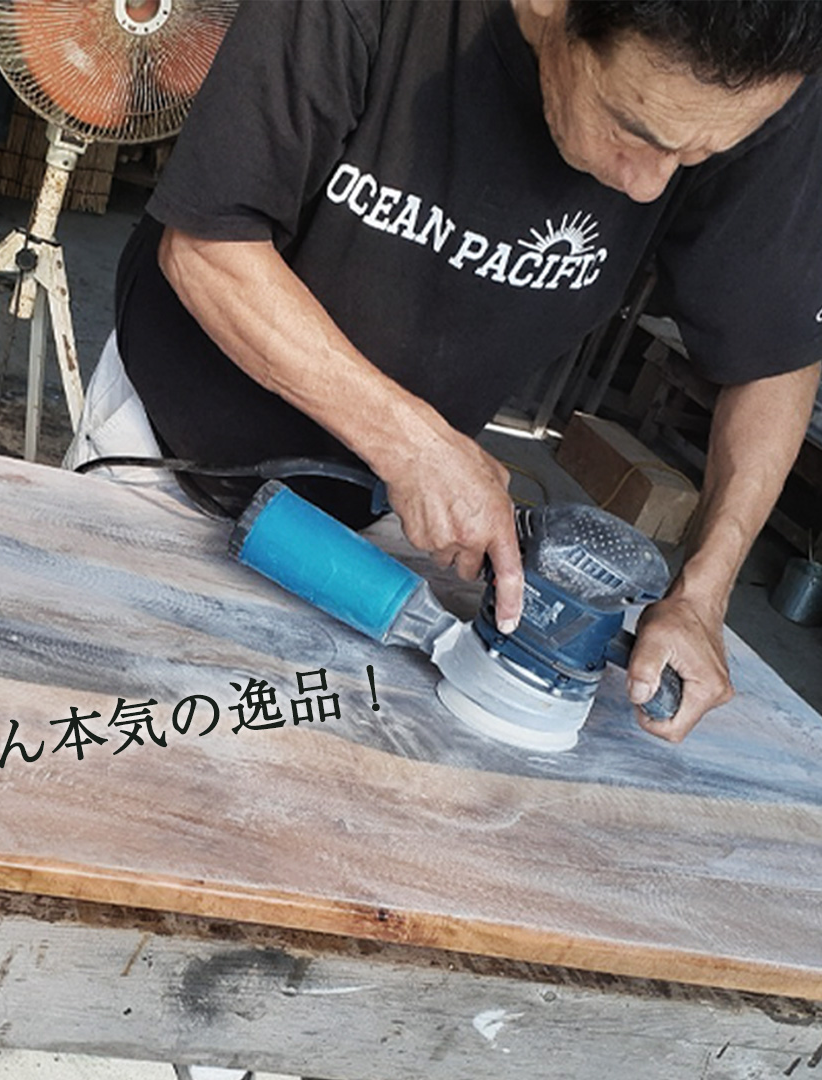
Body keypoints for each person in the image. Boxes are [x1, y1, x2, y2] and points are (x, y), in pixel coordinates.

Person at [73, 0, 822, 747]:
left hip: (397, 512)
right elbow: (208, 249)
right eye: (633, 129)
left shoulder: (759, 65)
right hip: (167, 454)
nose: (649, 186)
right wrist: (411, 445)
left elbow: (774, 356)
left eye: (697, 157)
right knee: (102, 716)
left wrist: (704, 591)